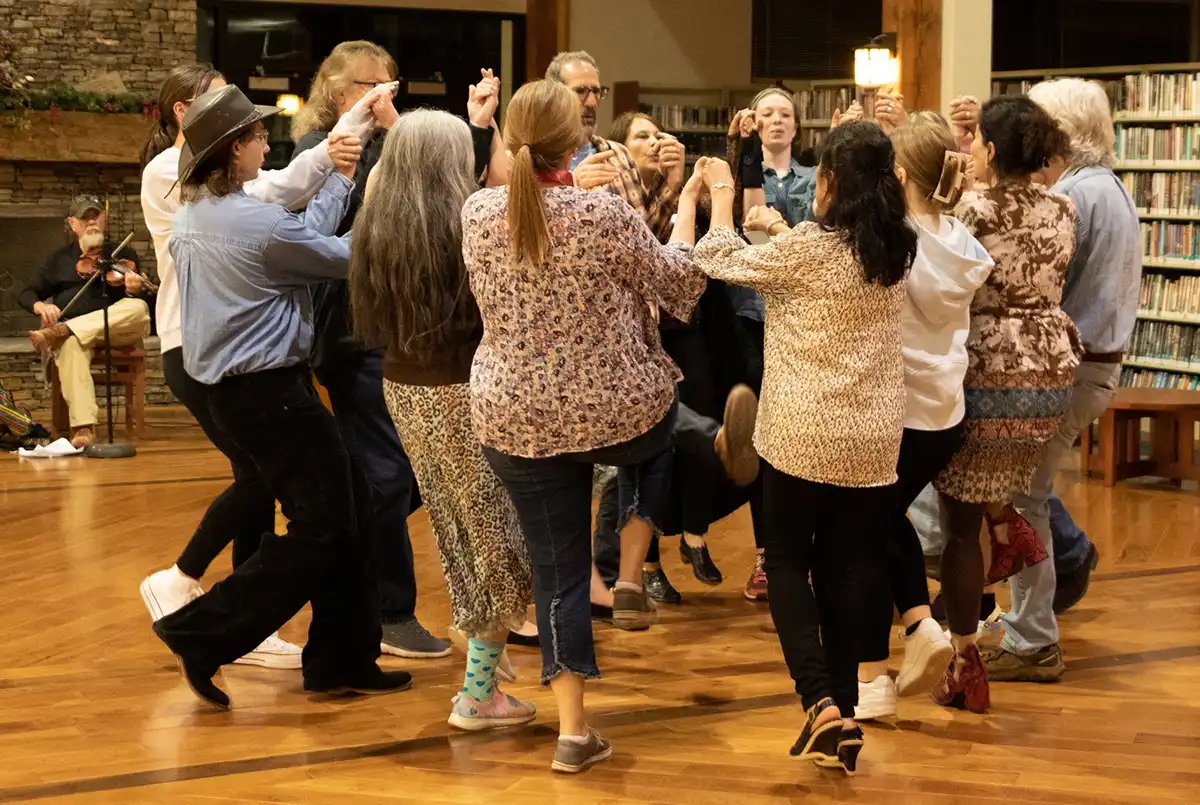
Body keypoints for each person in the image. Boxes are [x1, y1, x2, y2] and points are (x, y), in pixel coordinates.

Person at [462, 79, 712, 773]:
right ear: (574, 141)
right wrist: (692, 208)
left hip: (513, 416)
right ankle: (679, 488)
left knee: (558, 574)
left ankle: (574, 729)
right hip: (611, 412)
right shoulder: (602, 214)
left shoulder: (478, 211)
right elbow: (680, 287)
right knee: (663, 427)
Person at [150, 84, 409, 708]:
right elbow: (345, 256)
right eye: (260, 135)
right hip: (270, 395)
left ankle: (342, 659)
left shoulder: (199, 212)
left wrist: (342, 177)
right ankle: (201, 633)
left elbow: (295, 235)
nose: (268, 141)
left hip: (243, 393)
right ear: (236, 149)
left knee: (351, 507)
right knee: (323, 527)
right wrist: (374, 200)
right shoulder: (254, 223)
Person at [693, 121, 917, 774]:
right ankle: (845, 716)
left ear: (828, 183)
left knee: (787, 561)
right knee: (851, 570)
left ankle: (819, 699)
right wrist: (782, 232)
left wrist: (722, 193)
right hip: (871, 439)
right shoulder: (897, 247)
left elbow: (719, 260)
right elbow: (829, 258)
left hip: (801, 434)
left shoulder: (811, 249)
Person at [348, 95, 537, 730]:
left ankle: (476, 654)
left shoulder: (378, 223)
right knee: (497, 538)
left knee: (460, 528)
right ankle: (478, 692)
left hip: (404, 387)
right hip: (465, 390)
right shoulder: (469, 223)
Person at [977, 78, 1139, 681]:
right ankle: (1026, 615)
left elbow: (1038, 290)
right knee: (1027, 494)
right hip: (1096, 361)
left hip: (1065, 366)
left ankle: (1033, 637)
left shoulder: (1072, 195)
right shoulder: (1108, 188)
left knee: (1021, 499)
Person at [291, 40, 449, 659]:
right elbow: (321, 238)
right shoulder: (316, 152)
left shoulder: (393, 142)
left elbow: (437, 185)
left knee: (401, 473)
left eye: (392, 82)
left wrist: (394, 130)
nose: (385, 91)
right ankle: (391, 610)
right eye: (369, 83)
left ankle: (362, 581)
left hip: (406, 330)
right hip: (352, 334)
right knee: (386, 473)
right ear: (337, 92)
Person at [931, 95, 1080, 714]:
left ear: (988, 149)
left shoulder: (972, 207)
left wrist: (950, 170)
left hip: (988, 367)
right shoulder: (1064, 206)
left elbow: (929, 237)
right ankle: (1008, 529)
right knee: (1005, 485)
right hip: (1048, 368)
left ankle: (964, 666)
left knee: (954, 525)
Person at [854, 113, 994, 721]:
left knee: (866, 524)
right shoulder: (962, 240)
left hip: (896, 405)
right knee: (883, 519)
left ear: (900, 172)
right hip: (947, 407)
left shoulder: (894, 237)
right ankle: (917, 631)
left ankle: (906, 641)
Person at [21, 196, 150, 449]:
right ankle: (83, 427)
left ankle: (63, 330)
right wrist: (41, 306)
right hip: (80, 336)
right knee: (70, 345)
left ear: (104, 218)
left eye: (96, 215)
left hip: (117, 330)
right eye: (84, 217)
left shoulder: (123, 253)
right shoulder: (59, 259)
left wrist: (136, 289)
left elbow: (144, 298)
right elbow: (26, 292)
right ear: (73, 224)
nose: (91, 221)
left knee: (138, 307)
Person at [546, 50, 679, 241]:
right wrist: (572, 185)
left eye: (597, 92)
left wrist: (671, 184)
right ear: (554, 96)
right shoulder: (535, 157)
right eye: (580, 91)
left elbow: (645, 242)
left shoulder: (618, 154)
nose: (592, 102)